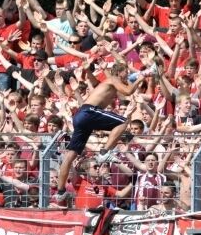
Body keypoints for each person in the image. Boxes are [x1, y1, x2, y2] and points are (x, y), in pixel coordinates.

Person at [52, 61, 156, 204]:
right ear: (120, 72)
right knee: (124, 122)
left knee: (70, 156)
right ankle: (104, 152)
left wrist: (135, 79)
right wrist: (141, 77)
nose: (127, 76)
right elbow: (128, 91)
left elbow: (123, 94)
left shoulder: (111, 84)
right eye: (126, 72)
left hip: (81, 116)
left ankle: (60, 191)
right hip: (89, 112)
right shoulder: (113, 79)